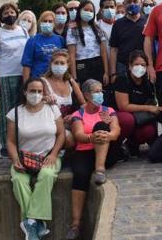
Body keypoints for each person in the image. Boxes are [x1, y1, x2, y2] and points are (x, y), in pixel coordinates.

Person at [6, 77, 65, 240]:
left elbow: (61, 135)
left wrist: (53, 154)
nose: (36, 94)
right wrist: (15, 159)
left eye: (40, 91)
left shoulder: (52, 109)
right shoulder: (15, 113)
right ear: (25, 92)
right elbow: (10, 141)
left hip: (48, 156)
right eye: (32, 91)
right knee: (19, 181)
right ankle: (35, 224)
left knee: (46, 176)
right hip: (24, 158)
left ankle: (29, 222)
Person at [68, 79, 121, 239]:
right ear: (86, 95)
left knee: (102, 126)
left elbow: (116, 131)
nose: (100, 94)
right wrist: (92, 137)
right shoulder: (78, 115)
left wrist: (105, 134)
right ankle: (75, 224)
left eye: (101, 91)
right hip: (85, 151)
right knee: (80, 175)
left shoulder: (108, 110)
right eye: (96, 91)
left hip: (106, 153)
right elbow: (78, 135)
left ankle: (100, 169)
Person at [0, 2, 29, 158]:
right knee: (7, 111)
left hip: (23, 75)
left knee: (23, 110)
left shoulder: (24, 31)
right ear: (1, 17)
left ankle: (21, 143)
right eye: (6, 13)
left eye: (12, 12)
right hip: (5, 76)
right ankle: (6, 145)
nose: (10, 15)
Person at [114, 50, 160, 156]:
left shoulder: (147, 82)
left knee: (148, 130)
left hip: (140, 117)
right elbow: (123, 106)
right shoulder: (122, 79)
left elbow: (153, 102)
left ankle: (132, 144)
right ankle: (116, 146)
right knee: (127, 120)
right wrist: (148, 108)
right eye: (136, 64)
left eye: (143, 65)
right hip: (121, 115)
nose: (140, 67)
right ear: (130, 66)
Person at [42, 50, 85, 149]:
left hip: (70, 122)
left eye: (62, 63)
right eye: (56, 63)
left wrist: (74, 115)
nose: (59, 65)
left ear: (67, 65)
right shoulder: (43, 81)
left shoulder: (70, 81)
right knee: (69, 139)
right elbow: (36, 101)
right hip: (52, 124)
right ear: (51, 64)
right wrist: (44, 99)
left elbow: (84, 104)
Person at [67, 0, 109, 87]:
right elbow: (72, 55)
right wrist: (75, 78)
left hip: (97, 64)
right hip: (81, 66)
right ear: (80, 11)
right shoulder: (73, 30)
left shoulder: (97, 28)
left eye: (91, 11)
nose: (88, 13)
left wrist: (106, 72)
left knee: (98, 92)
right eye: (86, 10)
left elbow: (104, 52)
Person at [109, 0, 146, 80]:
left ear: (140, 2)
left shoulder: (147, 22)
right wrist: (113, 73)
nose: (132, 4)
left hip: (143, 66)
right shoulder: (118, 24)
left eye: (135, 1)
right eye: (129, 2)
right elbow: (114, 49)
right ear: (124, 4)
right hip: (123, 67)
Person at [21, 11, 66, 82]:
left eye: (50, 21)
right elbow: (26, 65)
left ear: (54, 24)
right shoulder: (32, 40)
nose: (47, 23)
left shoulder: (60, 39)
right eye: (45, 21)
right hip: (38, 80)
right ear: (40, 23)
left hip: (55, 80)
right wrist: (26, 84)